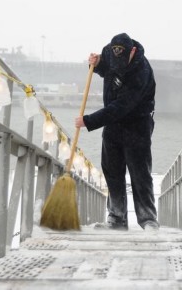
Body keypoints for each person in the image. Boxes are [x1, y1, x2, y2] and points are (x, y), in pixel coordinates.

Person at [75, 33, 159, 231]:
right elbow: (107, 71)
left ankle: (148, 219)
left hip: (137, 124)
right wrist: (94, 65)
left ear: (132, 51)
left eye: (123, 62)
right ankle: (117, 217)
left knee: (140, 173)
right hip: (113, 127)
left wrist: (88, 121)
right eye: (116, 61)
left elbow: (122, 106)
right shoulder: (108, 53)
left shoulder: (142, 71)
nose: (119, 65)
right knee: (112, 171)